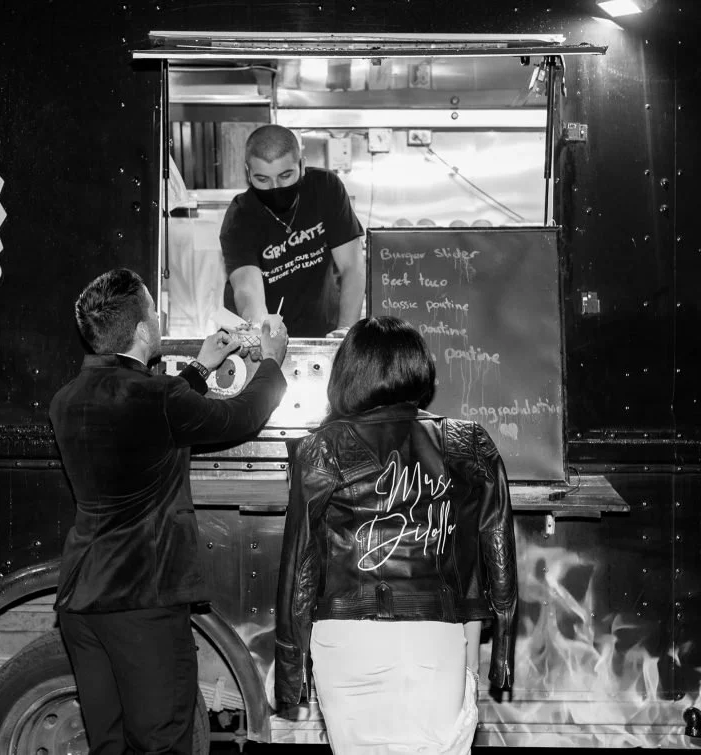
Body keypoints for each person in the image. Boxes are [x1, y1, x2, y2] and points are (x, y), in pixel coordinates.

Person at [50, 268, 289, 754]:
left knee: (108, 745)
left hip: (81, 601)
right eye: (153, 311)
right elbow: (241, 416)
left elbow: (146, 421)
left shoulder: (66, 399)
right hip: (143, 600)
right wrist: (272, 362)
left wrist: (200, 367)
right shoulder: (158, 397)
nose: (158, 318)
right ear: (142, 331)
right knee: (161, 744)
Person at [274, 316, 517, 754]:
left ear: (348, 374)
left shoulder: (322, 447)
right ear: (419, 369)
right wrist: (498, 653)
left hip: (347, 638)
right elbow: (495, 556)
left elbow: (300, 565)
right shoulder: (468, 442)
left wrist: (291, 668)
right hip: (434, 638)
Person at [220, 124, 365, 339]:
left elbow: (352, 266)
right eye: (262, 179)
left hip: (323, 330)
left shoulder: (325, 189)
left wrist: (345, 333)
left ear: (302, 165)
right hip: (264, 335)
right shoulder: (240, 217)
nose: (275, 187)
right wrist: (264, 336)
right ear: (248, 172)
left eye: (285, 175)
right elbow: (247, 291)